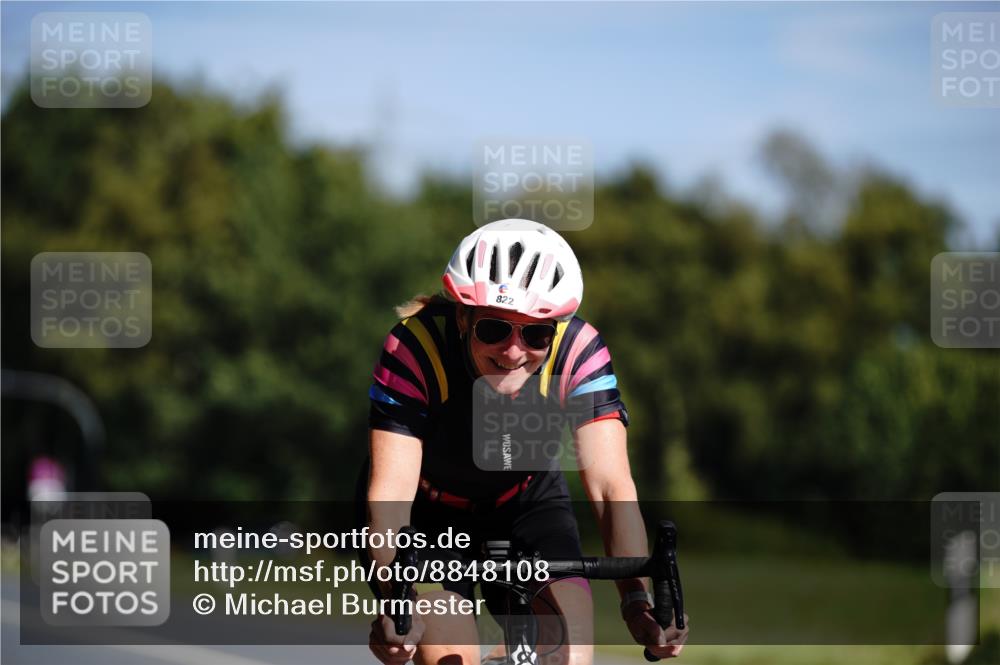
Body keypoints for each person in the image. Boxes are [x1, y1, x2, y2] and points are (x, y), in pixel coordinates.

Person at [358, 219, 688, 665]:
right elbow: (391, 496)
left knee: (567, 655)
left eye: (535, 334)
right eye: (493, 329)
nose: (513, 352)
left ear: (555, 329)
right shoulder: (414, 348)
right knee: (448, 658)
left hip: (527, 504)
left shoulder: (579, 350)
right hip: (428, 516)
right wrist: (397, 605)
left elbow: (611, 488)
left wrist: (636, 602)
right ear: (462, 317)